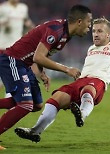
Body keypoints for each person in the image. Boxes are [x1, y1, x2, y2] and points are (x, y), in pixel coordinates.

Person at [14, 17, 110, 143]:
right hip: (80, 81)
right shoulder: (91, 48)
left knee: (89, 89)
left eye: (100, 31)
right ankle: (35, 131)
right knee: (56, 98)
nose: (95, 34)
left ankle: (82, 115)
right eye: (93, 31)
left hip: (97, 83)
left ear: (108, 34)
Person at [0, 4, 92, 148]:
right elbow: (38, 57)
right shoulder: (57, 30)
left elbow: (41, 53)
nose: (90, 27)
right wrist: (66, 69)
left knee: (36, 105)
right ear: (79, 21)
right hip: (13, 60)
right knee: (25, 104)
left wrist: (42, 72)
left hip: (24, 64)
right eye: (89, 22)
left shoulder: (66, 34)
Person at [0, 0, 35, 98]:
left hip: (16, 48)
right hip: (2, 46)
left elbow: (26, 20)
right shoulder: (2, 8)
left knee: (13, 77)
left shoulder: (23, 8)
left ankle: (10, 100)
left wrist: (31, 27)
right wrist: (3, 24)